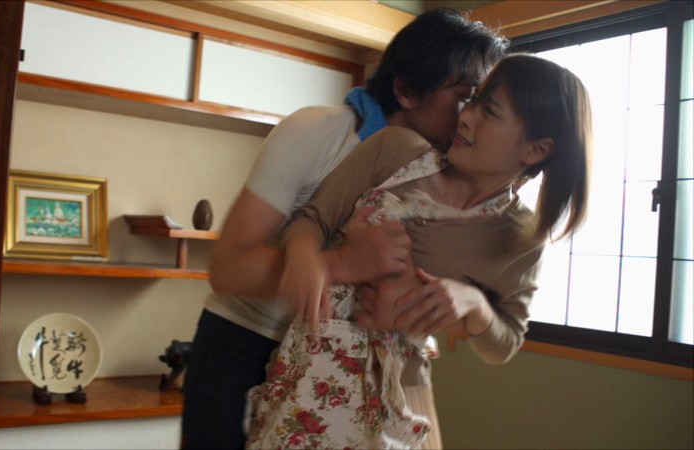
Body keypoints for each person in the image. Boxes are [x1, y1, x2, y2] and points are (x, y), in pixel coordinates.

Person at [181, 9, 508, 450]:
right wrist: (342, 264)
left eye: (487, 103)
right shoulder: (321, 132)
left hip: (360, 368)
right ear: (406, 91)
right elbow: (229, 268)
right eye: (466, 96)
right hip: (247, 345)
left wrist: (464, 301)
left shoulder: (455, 179)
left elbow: (493, 325)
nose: (475, 116)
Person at [245, 53, 592, 449]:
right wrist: (309, 260)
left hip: (397, 400)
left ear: (535, 149)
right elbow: (311, 220)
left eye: (490, 111)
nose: (466, 116)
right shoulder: (394, 150)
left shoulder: (520, 239)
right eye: (474, 99)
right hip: (307, 372)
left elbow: (506, 342)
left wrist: (472, 303)